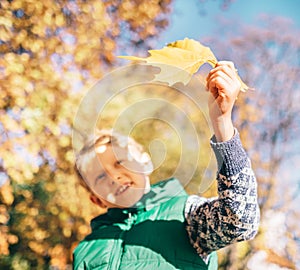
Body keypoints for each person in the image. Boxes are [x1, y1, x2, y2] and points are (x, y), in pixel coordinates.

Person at [73, 61, 260, 269]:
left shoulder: (186, 216)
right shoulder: (85, 250)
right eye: (100, 177)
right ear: (96, 199)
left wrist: (222, 123)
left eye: (120, 162)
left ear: (145, 161)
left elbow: (239, 221)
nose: (114, 177)